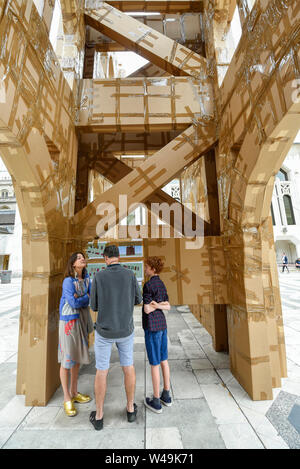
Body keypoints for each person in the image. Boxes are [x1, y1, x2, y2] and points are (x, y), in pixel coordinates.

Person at [89, 245, 142, 431]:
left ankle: (99, 416)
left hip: (104, 332)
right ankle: (130, 410)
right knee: (128, 367)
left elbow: (93, 306)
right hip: (125, 331)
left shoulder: (99, 276)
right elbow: (138, 300)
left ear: (105, 258)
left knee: (101, 371)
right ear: (118, 257)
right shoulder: (130, 275)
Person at [58, 252, 94, 417]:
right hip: (69, 322)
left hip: (82, 321)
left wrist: (82, 297)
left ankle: (74, 392)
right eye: (79, 258)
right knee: (67, 359)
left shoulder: (87, 280)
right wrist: (84, 297)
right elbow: (71, 303)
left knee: (77, 358)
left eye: (83, 257)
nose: (82, 259)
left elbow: (92, 298)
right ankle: (66, 397)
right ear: (73, 263)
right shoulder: (67, 281)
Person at [143, 256, 172, 414]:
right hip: (162, 325)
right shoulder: (161, 283)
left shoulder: (148, 285)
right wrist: (159, 305)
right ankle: (166, 395)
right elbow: (168, 306)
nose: (145, 269)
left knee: (154, 363)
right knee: (164, 360)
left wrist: (154, 305)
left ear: (153, 269)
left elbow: (147, 309)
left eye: (147, 267)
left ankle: (155, 400)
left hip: (152, 327)